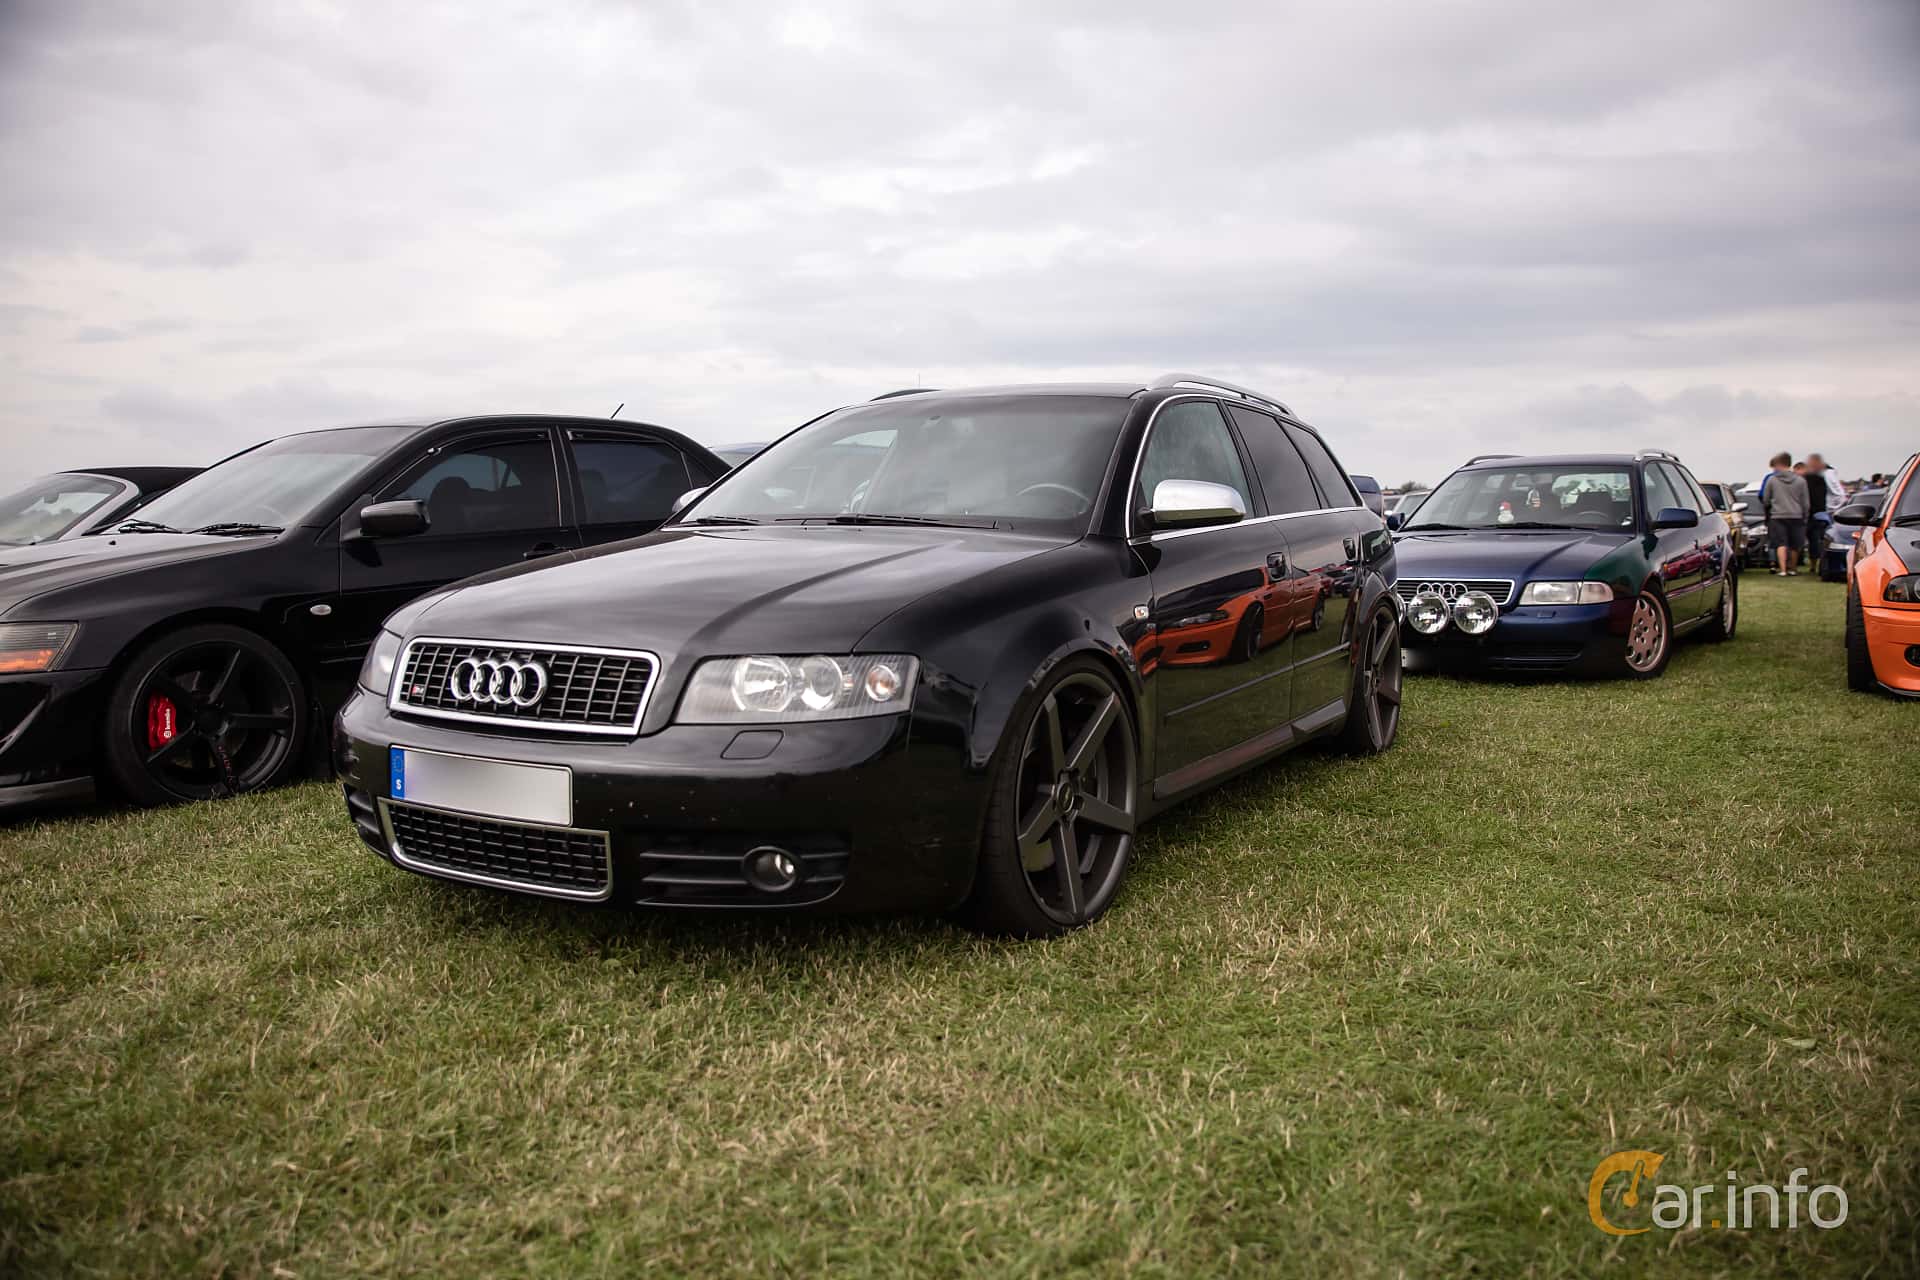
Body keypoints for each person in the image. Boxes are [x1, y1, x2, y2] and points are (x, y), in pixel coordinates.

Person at [1760, 452, 1809, 576]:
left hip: (1778, 515)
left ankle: (1782, 570)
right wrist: (1805, 515)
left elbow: (1765, 499)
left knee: (1781, 543)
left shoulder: (1772, 480)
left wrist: (1771, 507)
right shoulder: (1800, 481)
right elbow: (1805, 501)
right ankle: (1792, 568)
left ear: (1778, 464)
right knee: (1794, 544)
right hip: (1796, 515)